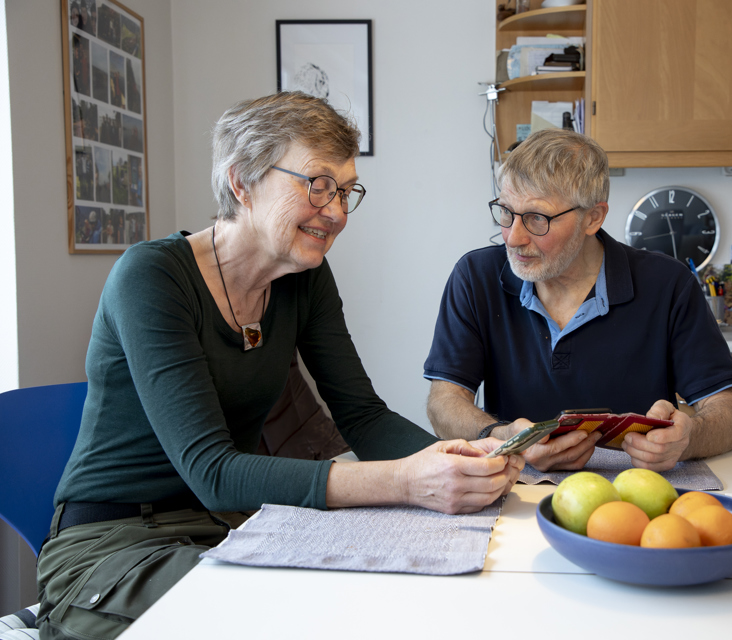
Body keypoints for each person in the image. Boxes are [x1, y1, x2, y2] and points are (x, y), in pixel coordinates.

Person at [36, 92, 523, 640]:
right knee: (290, 617)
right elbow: (214, 472)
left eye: (344, 191)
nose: (336, 211)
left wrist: (472, 455)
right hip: (112, 547)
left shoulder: (304, 276)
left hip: (227, 529)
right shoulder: (152, 278)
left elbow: (361, 416)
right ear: (242, 181)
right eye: (316, 184)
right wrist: (407, 481)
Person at [424, 128, 732, 473]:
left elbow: (731, 409)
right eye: (506, 211)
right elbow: (444, 401)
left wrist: (690, 437)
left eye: (537, 218)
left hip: (636, 495)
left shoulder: (668, 284)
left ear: (593, 218)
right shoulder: (475, 276)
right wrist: (501, 436)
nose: (513, 237)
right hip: (515, 489)